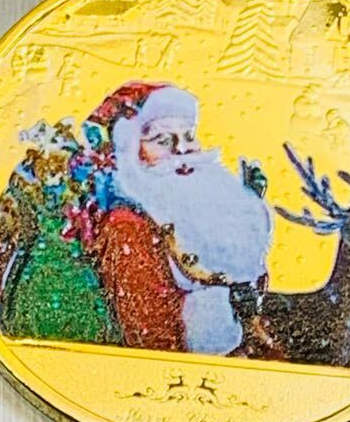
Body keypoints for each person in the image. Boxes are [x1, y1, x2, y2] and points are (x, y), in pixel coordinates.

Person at [84, 83, 274, 355]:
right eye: (162, 140)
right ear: (131, 153)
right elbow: (152, 335)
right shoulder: (128, 224)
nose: (183, 149)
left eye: (189, 136)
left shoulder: (205, 204)